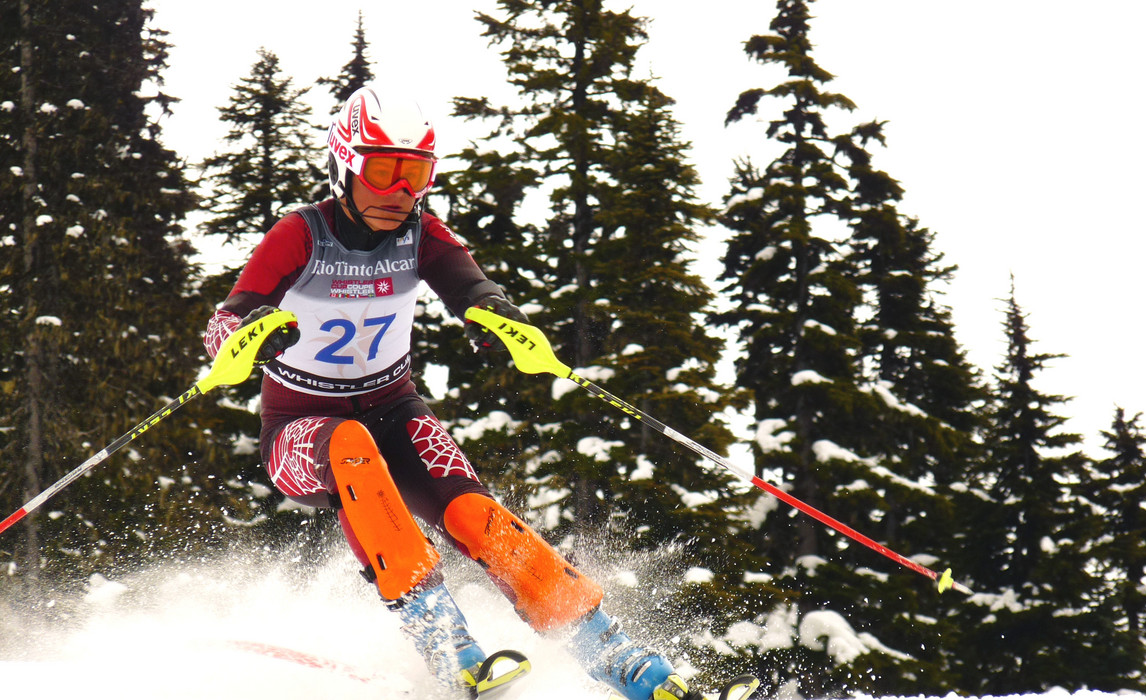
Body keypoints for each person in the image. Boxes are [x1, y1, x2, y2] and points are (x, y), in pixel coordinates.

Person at [202, 85, 749, 700]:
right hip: (299, 432)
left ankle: (626, 663)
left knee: (474, 515)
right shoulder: (300, 235)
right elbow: (227, 319)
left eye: (416, 176)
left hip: (395, 410)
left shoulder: (421, 233)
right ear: (344, 164)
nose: (400, 194)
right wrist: (249, 333)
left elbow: (474, 288)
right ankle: (450, 649)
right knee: (350, 444)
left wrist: (497, 320)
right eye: (384, 171)